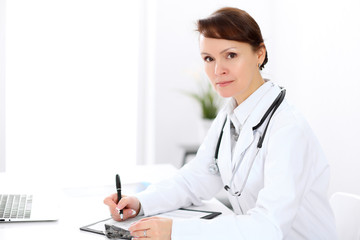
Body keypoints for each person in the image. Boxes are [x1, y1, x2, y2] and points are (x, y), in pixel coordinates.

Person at [104, 7, 337, 240]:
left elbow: (268, 228)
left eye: (231, 55)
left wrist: (176, 231)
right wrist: (139, 203)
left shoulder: (288, 129)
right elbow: (194, 180)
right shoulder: (230, 116)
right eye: (209, 58)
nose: (218, 70)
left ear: (260, 54)